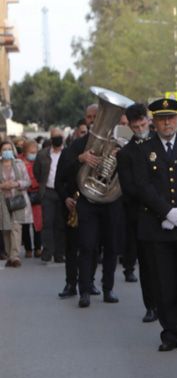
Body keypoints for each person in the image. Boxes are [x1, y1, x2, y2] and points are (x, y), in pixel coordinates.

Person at [130, 98, 177, 351]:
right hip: (157, 225)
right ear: (154, 121)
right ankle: (171, 332)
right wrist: (165, 212)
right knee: (164, 282)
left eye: (171, 118)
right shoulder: (143, 150)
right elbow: (143, 186)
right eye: (162, 119)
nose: (167, 123)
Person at [58, 107, 126, 308]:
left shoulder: (118, 144)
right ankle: (84, 291)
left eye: (99, 117)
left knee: (112, 247)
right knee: (87, 247)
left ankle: (108, 289)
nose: (95, 121)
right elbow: (62, 174)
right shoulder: (77, 145)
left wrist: (119, 157)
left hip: (111, 201)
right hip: (87, 202)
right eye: (91, 117)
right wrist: (80, 159)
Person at [117, 103, 160, 323]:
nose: (140, 128)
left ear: (148, 120)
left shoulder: (161, 142)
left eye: (142, 123)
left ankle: (168, 303)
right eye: (135, 126)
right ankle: (151, 305)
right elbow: (130, 188)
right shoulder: (126, 153)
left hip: (167, 214)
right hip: (143, 215)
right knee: (147, 263)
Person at [33, 128, 67, 263]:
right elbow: (37, 172)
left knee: (60, 223)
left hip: (62, 192)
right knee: (47, 223)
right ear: (51, 138)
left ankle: (60, 253)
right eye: (54, 136)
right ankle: (47, 252)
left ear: (63, 138)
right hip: (47, 191)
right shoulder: (42, 154)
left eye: (59, 136)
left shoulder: (68, 153)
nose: (57, 138)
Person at [0, 140, 32, 267]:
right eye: (4, 149)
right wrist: (2, 185)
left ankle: (15, 256)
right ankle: (9, 255)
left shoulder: (19, 164)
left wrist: (16, 184)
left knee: (16, 227)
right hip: (2, 202)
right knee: (5, 229)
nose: (7, 151)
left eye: (9, 149)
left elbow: (27, 181)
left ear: (12, 150)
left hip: (17, 200)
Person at [19, 140, 43, 258]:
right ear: (25, 151)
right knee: (25, 223)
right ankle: (28, 249)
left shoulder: (39, 162)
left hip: (36, 194)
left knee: (37, 223)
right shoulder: (19, 162)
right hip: (24, 194)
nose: (33, 154)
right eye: (31, 152)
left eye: (35, 152)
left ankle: (38, 248)